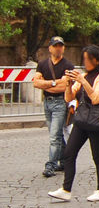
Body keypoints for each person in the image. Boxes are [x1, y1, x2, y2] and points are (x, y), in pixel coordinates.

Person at [48, 45, 99, 202]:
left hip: (96, 122)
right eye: (84, 59)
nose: (85, 62)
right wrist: (69, 84)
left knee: (97, 156)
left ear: (96, 60)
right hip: (82, 120)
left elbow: (97, 98)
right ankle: (66, 189)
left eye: (88, 59)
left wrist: (83, 82)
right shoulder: (83, 75)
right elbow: (68, 99)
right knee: (69, 153)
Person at [32, 36, 74, 177]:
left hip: (60, 103)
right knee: (55, 134)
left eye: (60, 45)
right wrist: (55, 83)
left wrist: (47, 83)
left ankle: (50, 165)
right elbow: (36, 83)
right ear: (50, 48)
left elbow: (64, 86)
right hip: (47, 102)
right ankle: (64, 161)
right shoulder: (43, 64)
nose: (58, 48)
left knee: (54, 136)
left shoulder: (68, 65)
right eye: (55, 45)